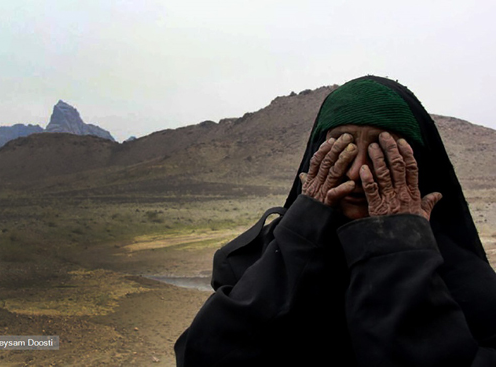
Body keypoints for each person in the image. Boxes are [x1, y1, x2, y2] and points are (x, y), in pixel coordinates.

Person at [174, 76, 496, 366]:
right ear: (316, 155)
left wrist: (397, 247)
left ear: (417, 165)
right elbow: (203, 356)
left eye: (382, 153)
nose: (356, 172)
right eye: (343, 148)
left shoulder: (469, 286)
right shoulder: (263, 258)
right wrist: (303, 227)